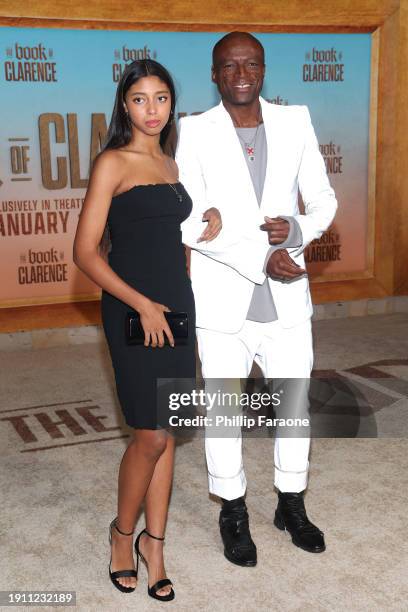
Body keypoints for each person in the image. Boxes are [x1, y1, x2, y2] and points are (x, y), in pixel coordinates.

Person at [176, 32, 337, 565]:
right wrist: (256, 255)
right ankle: (233, 510)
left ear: (264, 69)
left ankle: (291, 503)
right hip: (223, 300)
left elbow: (322, 199)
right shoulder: (194, 131)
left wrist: (293, 230)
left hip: (287, 294)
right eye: (230, 65)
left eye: (251, 63)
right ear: (215, 74)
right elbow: (192, 219)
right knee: (224, 412)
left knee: (293, 407)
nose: (241, 72)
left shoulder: (295, 121)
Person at [73, 59, 221, 600]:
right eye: (140, 99)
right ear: (124, 106)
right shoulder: (113, 163)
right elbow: (85, 253)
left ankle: (153, 547)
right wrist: (143, 305)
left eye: (161, 98)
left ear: (171, 104)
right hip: (133, 308)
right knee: (150, 433)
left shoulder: (171, 163)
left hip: (177, 305)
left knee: (170, 430)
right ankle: (121, 534)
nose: (152, 109)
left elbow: (172, 231)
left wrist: (209, 216)